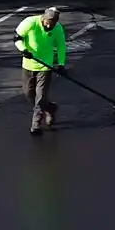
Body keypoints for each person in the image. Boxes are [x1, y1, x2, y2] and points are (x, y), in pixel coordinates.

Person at [15, 7, 67, 135]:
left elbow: (61, 46)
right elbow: (17, 38)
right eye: (48, 21)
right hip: (28, 65)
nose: (50, 24)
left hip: (45, 67)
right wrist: (23, 50)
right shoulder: (30, 22)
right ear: (43, 18)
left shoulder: (58, 29)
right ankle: (51, 108)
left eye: (53, 22)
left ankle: (36, 125)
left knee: (40, 96)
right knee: (29, 94)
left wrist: (61, 64)